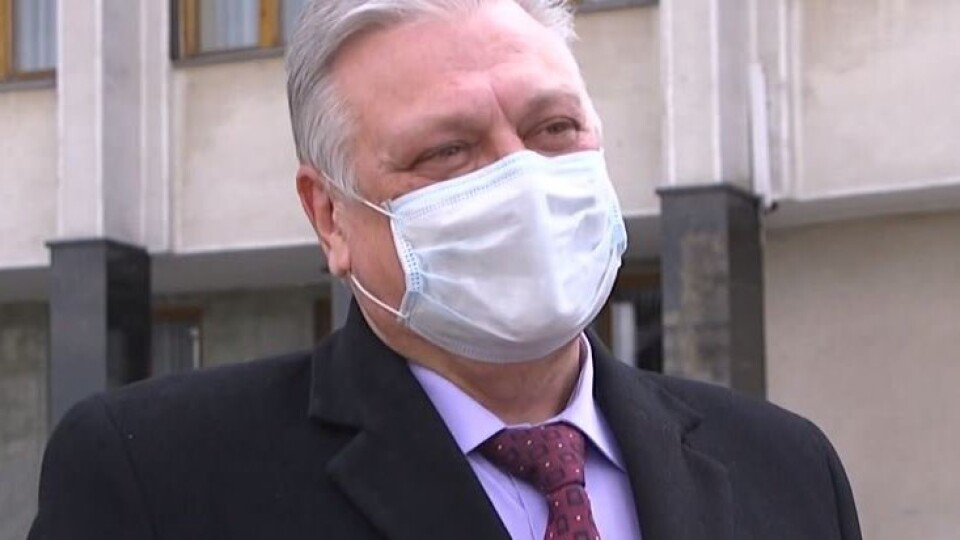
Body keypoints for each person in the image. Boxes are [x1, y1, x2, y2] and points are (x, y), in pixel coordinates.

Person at [29, 1, 862, 539]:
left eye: (554, 129)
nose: (520, 180)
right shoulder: (157, 481)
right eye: (447, 151)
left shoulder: (788, 470)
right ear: (331, 217)